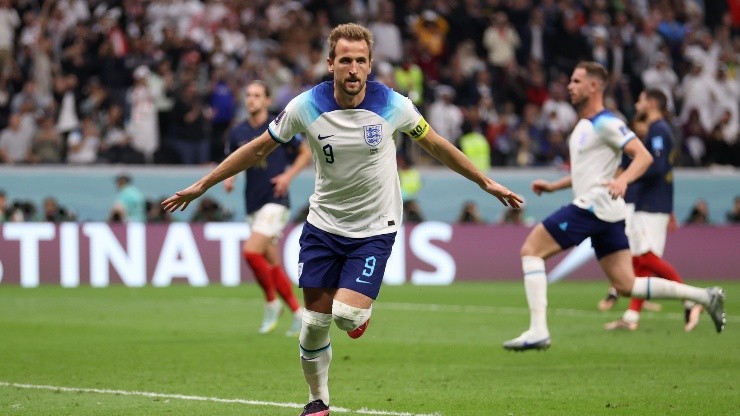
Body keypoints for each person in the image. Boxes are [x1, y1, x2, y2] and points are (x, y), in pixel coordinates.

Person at [162, 23, 523, 416]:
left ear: (370, 66)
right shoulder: (306, 106)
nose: (353, 69)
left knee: (347, 316)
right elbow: (257, 148)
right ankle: (319, 401)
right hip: (323, 226)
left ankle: (356, 316)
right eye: (346, 60)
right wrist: (203, 184)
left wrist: (486, 182)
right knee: (314, 323)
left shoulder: (393, 105)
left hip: (374, 227)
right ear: (331, 64)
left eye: (361, 61)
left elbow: (436, 144)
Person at [502, 61, 726, 352]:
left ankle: (538, 330)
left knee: (531, 250)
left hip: (594, 207)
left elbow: (643, 157)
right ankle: (705, 297)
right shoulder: (584, 125)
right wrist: (554, 186)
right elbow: (589, 171)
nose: (570, 86)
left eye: (576, 80)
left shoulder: (608, 122)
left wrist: (625, 181)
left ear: (594, 86)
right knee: (626, 284)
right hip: (608, 211)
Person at [603, 89, 703, 332]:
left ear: (651, 103)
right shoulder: (658, 130)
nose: (637, 103)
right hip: (651, 202)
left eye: (640, 99)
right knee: (641, 260)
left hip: (651, 204)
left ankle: (691, 297)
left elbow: (657, 167)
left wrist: (627, 177)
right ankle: (632, 317)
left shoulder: (658, 130)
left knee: (645, 258)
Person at [223, 80, 311, 337]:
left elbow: (305, 152)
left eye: (257, 95)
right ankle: (298, 313)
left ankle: (271, 303)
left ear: (267, 100)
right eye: (248, 95)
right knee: (271, 262)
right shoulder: (237, 132)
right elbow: (232, 161)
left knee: (251, 252)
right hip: (253, 202)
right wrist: (229, 177)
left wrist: (288, 177)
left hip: (276, 201)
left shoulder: (280, 125)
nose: (251, 99)